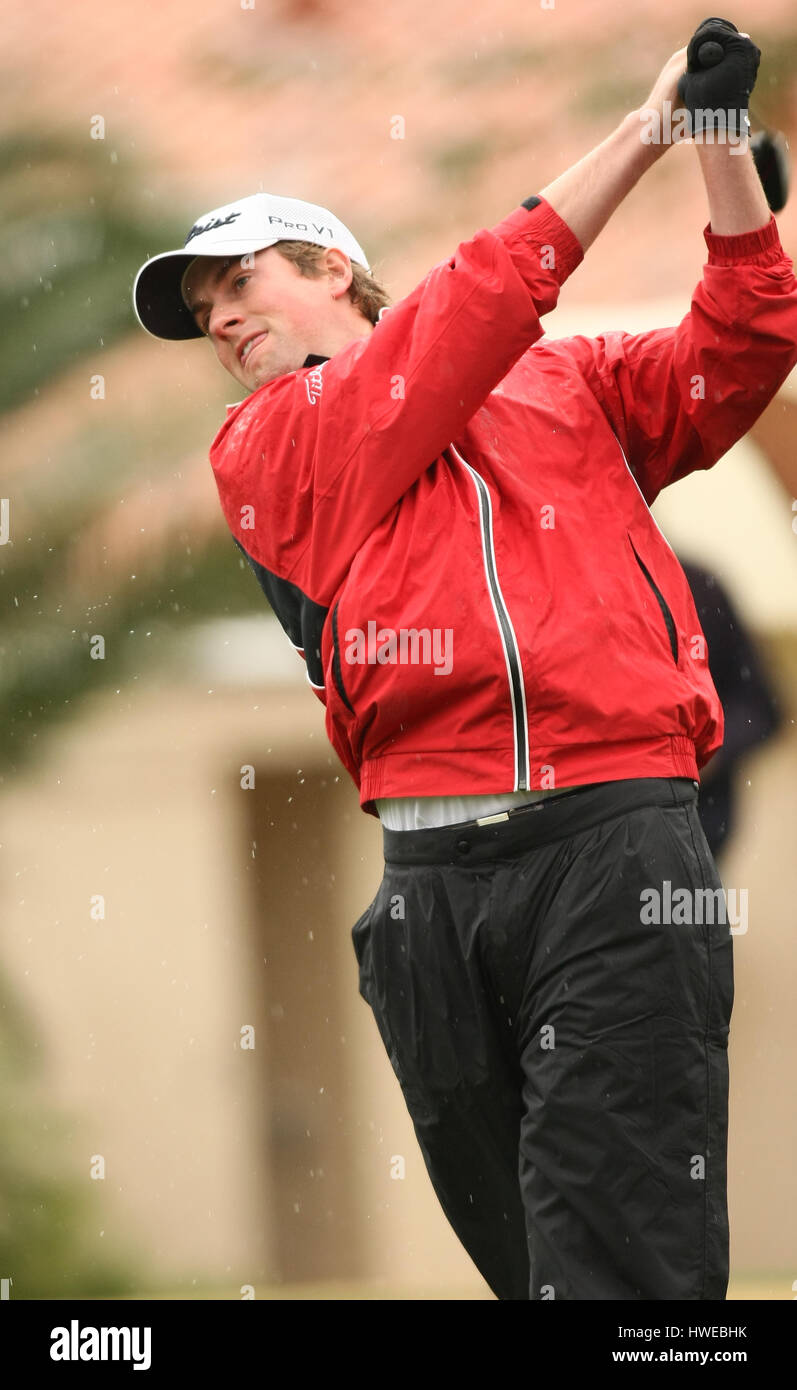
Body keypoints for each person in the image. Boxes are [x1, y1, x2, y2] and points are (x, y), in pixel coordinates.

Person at [133, 20, 797, 1299]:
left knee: (620, 1266)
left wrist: (715, 143)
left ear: (332, 266)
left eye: (240, 280)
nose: (218, 318)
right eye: (202, 308)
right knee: (534, 1266)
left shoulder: (566, 390)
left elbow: (740, 344)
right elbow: (474, 307)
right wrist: (645, 129)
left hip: (613, 854)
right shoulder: (267, 446)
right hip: (431, 893)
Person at [678, 556, 782, 861]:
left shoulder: (700, 588)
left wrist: (711, 749)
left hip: (700, 833)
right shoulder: (561, 593)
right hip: (581, 849)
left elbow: (760, 705)